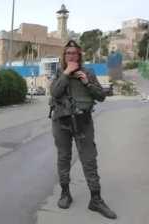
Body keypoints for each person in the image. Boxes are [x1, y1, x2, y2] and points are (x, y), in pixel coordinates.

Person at [49, 40, 117, 219]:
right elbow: (55, 93)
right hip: (61, 122)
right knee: (64, 158)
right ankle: (65, 193)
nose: (71, 56)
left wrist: (87, 82)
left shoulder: (88, 73)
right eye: (68, 53)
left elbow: (101, 96)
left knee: (89, 159)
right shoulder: (59, 73)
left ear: (79, 55)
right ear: (64, 56)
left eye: (74, 53)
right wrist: (66, 73)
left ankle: (95, 199)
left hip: (83, 122)